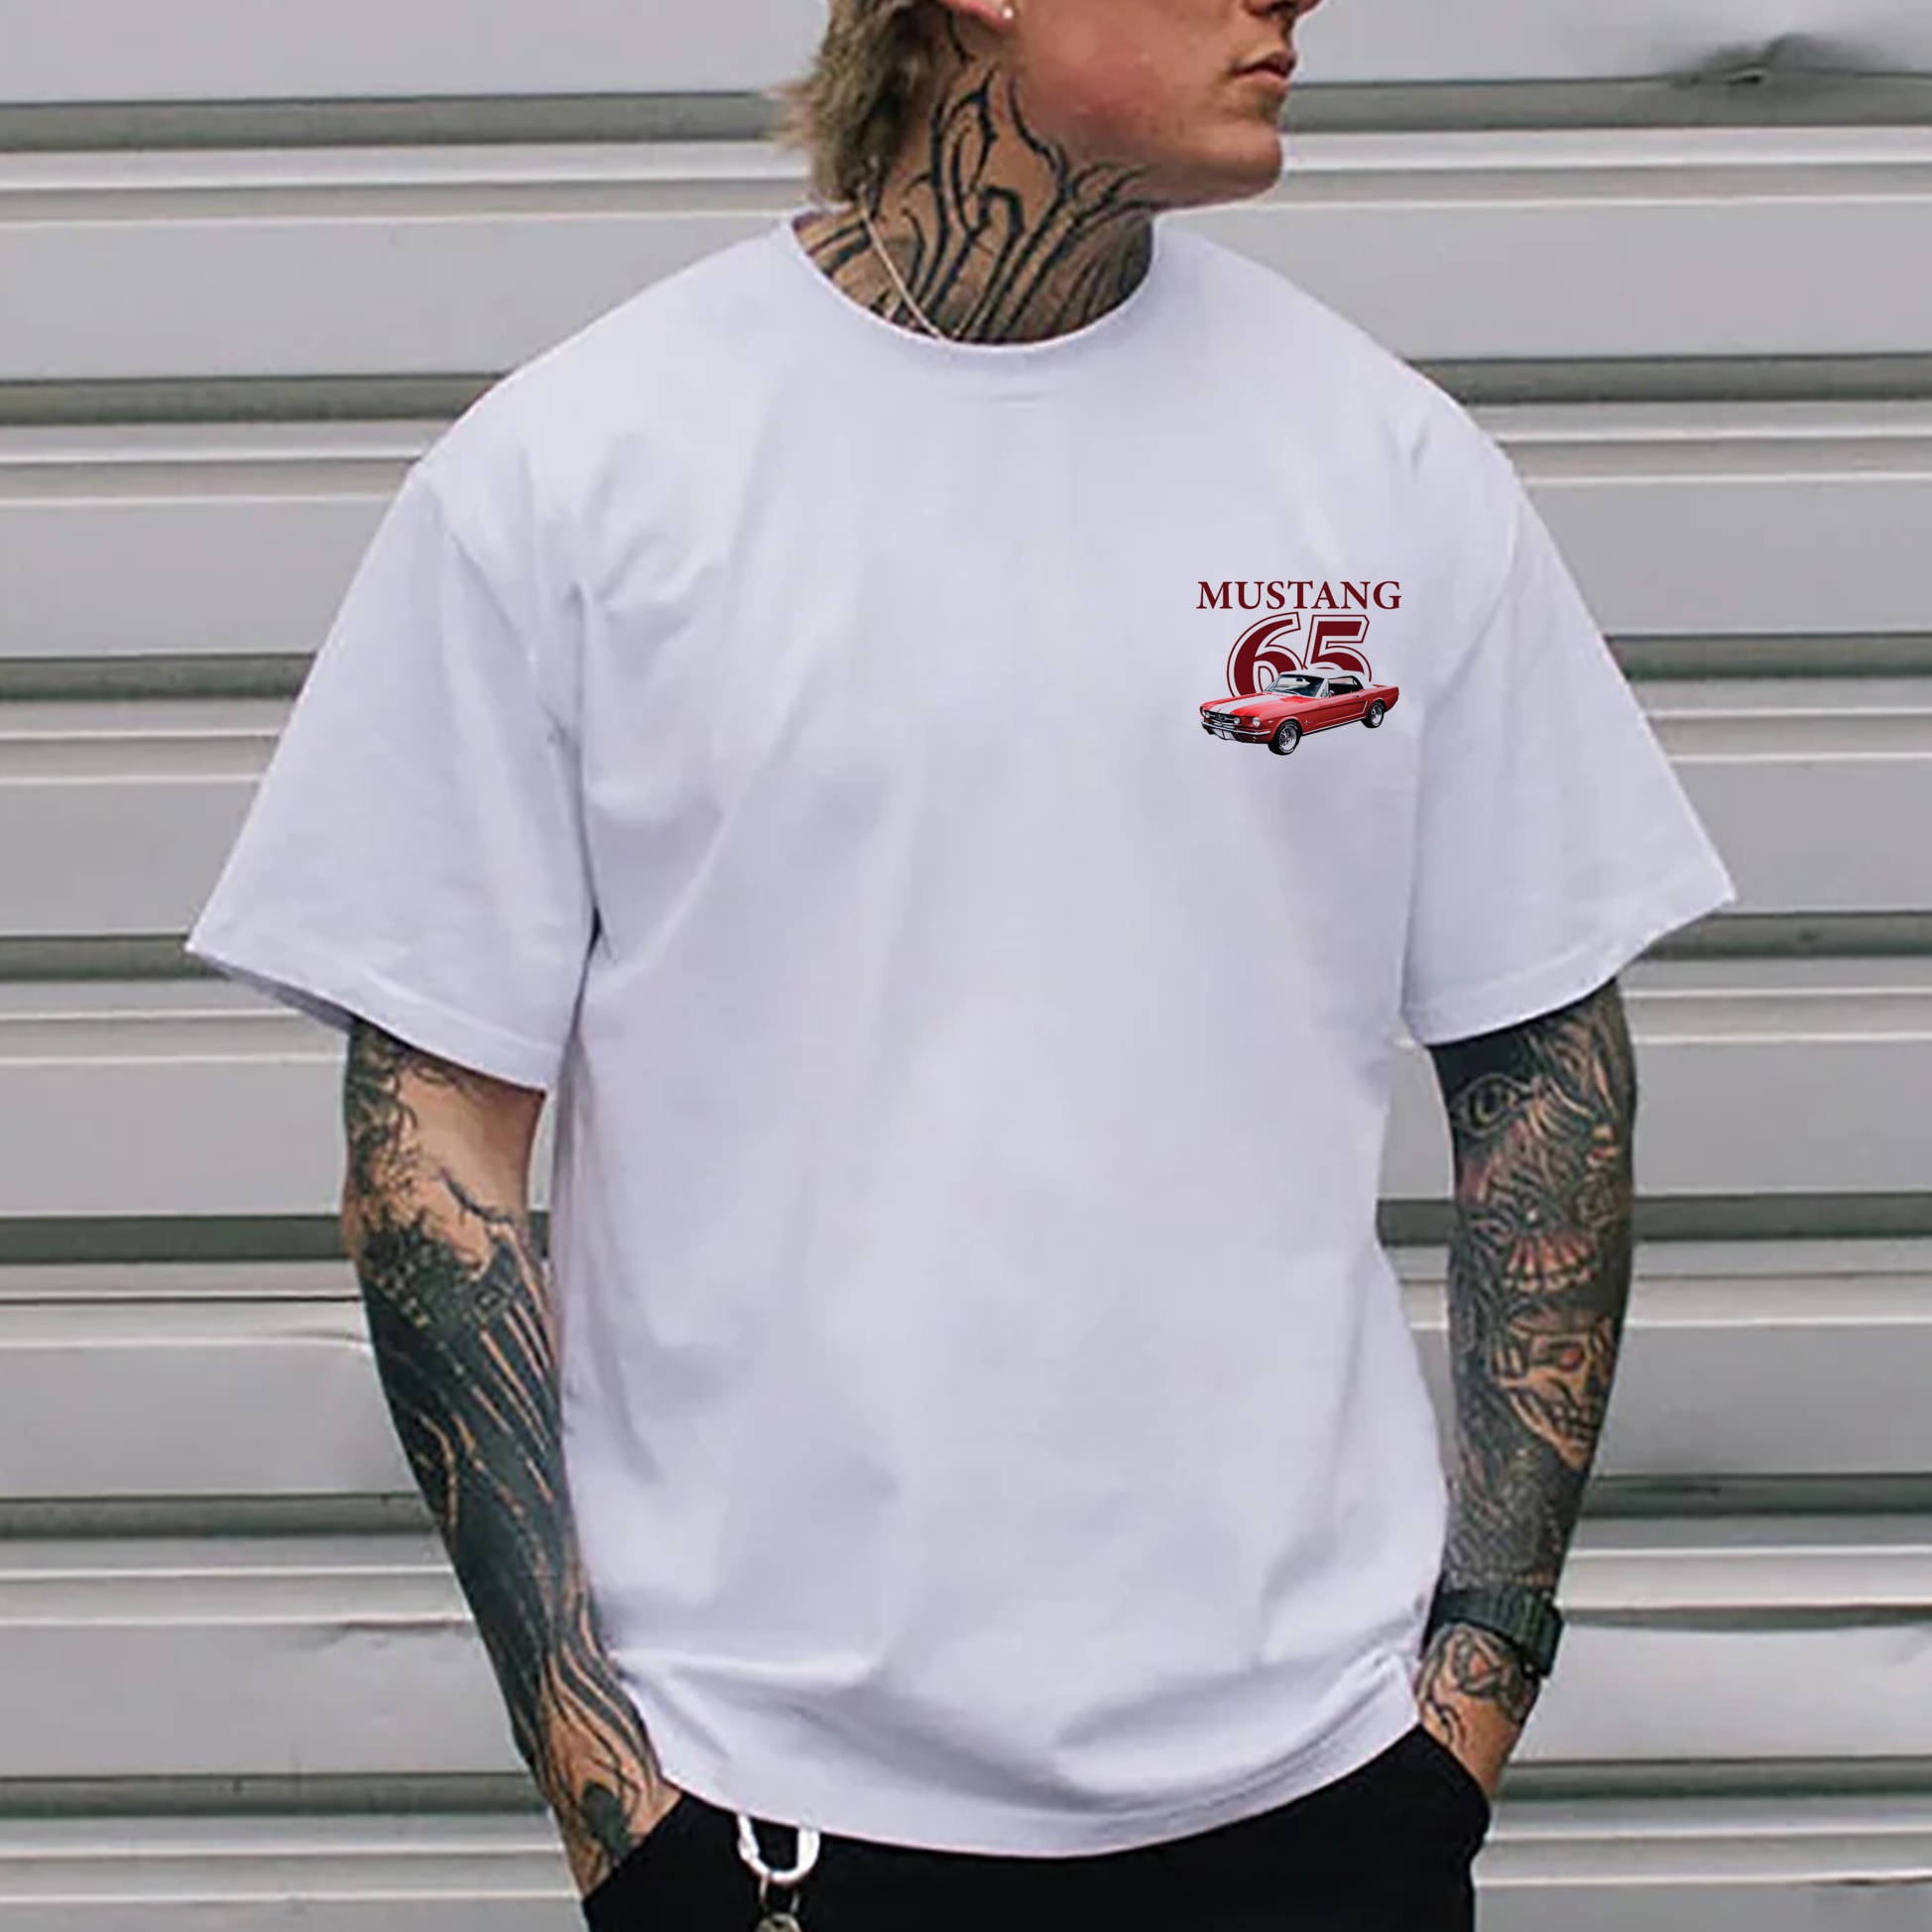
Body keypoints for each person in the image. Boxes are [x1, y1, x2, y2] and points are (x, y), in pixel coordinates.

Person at [187, 0, 1736, 1926]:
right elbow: (433, 1138)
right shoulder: (582, 474)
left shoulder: (1380, 463)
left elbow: (1546, 1077)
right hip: (769, 1801)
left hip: (1317, 1780)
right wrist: (610, 1792)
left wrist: (1471, 1691)